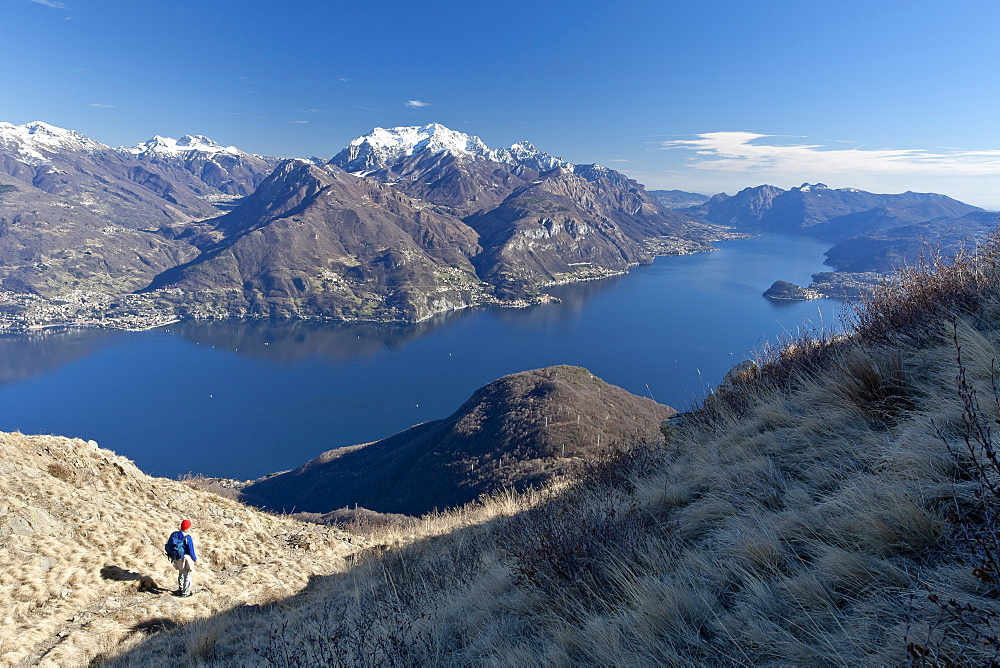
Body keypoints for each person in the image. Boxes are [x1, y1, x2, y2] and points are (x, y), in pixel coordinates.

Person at [168, 519, 197, 596]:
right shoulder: (188, 537)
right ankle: (185, 593)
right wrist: (195, 559)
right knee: (187, 575)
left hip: (176, 557)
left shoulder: (174, 534)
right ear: (187, 528)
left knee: (181, 573)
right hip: (185, 558)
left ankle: (181, 590)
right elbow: (191, 550)